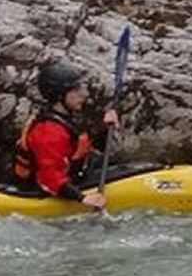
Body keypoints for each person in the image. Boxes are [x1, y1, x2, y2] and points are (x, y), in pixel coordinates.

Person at [11, 60, 121, 210]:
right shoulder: (49, 132)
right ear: (60, 95)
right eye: (76, 90)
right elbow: (49, 178)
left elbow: (85, 146)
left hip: (77, 170)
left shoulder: (65, 116)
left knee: (121, 163)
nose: (84, 94)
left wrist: (106, 127)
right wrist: (82, 198)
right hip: (44, 187)